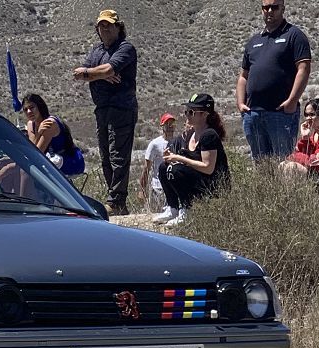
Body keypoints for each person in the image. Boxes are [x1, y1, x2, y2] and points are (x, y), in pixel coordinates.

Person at [72, 9, 138, 216]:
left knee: (118, 155)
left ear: (119, 27)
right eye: (101, 25)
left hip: (122, 109)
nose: (105, 28)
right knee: (106, 156)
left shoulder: (125, 48)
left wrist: (96, 74)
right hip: (101, 109)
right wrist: (99, 74)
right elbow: (78, 73)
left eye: (109, 24)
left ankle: (117, 200)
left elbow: (105, 70)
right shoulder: (96, 50)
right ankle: (116, 202)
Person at [236, 0, 312, 160]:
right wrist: (240, 104)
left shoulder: (294, 35)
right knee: (260, 164)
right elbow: (244, 76)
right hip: (253, 114)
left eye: (274, 7)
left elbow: (303, 69)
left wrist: (292, 101)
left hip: (280, 113)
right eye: (266, 7)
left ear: (283, 8)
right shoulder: (254, 41)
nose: (270, 11)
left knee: (283, 163)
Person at [155, 93, 230, 226]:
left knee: (176, 170)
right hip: (198, 179)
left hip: (213, 184)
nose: (187, 115)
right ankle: (173, 208)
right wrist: (171, 157)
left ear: (204, 114)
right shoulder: (190, 134)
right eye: (186, 112)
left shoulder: (209, 135)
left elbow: (208, 168)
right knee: (164, 167)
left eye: (191, 112)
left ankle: (186, 210)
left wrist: (179, 159)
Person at [22, 93, 84, 177]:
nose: (29, 112)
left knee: (26, 172)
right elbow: (33, 148)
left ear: (39, 107)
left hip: (67, 161)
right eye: (25, 109)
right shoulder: (31, 124)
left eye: (32, 107)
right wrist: (39, 132)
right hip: (49, 161)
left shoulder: (49, 123)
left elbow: (38, 152)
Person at [137, 113, 176, 214]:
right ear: (162, 126)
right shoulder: (155, 144)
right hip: (158, 188)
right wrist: (142, 189)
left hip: (173, 186)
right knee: (157, 214)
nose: (170, 127)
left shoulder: (178, 142)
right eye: (167, 124)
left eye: (172, 124)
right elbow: (146, 168)